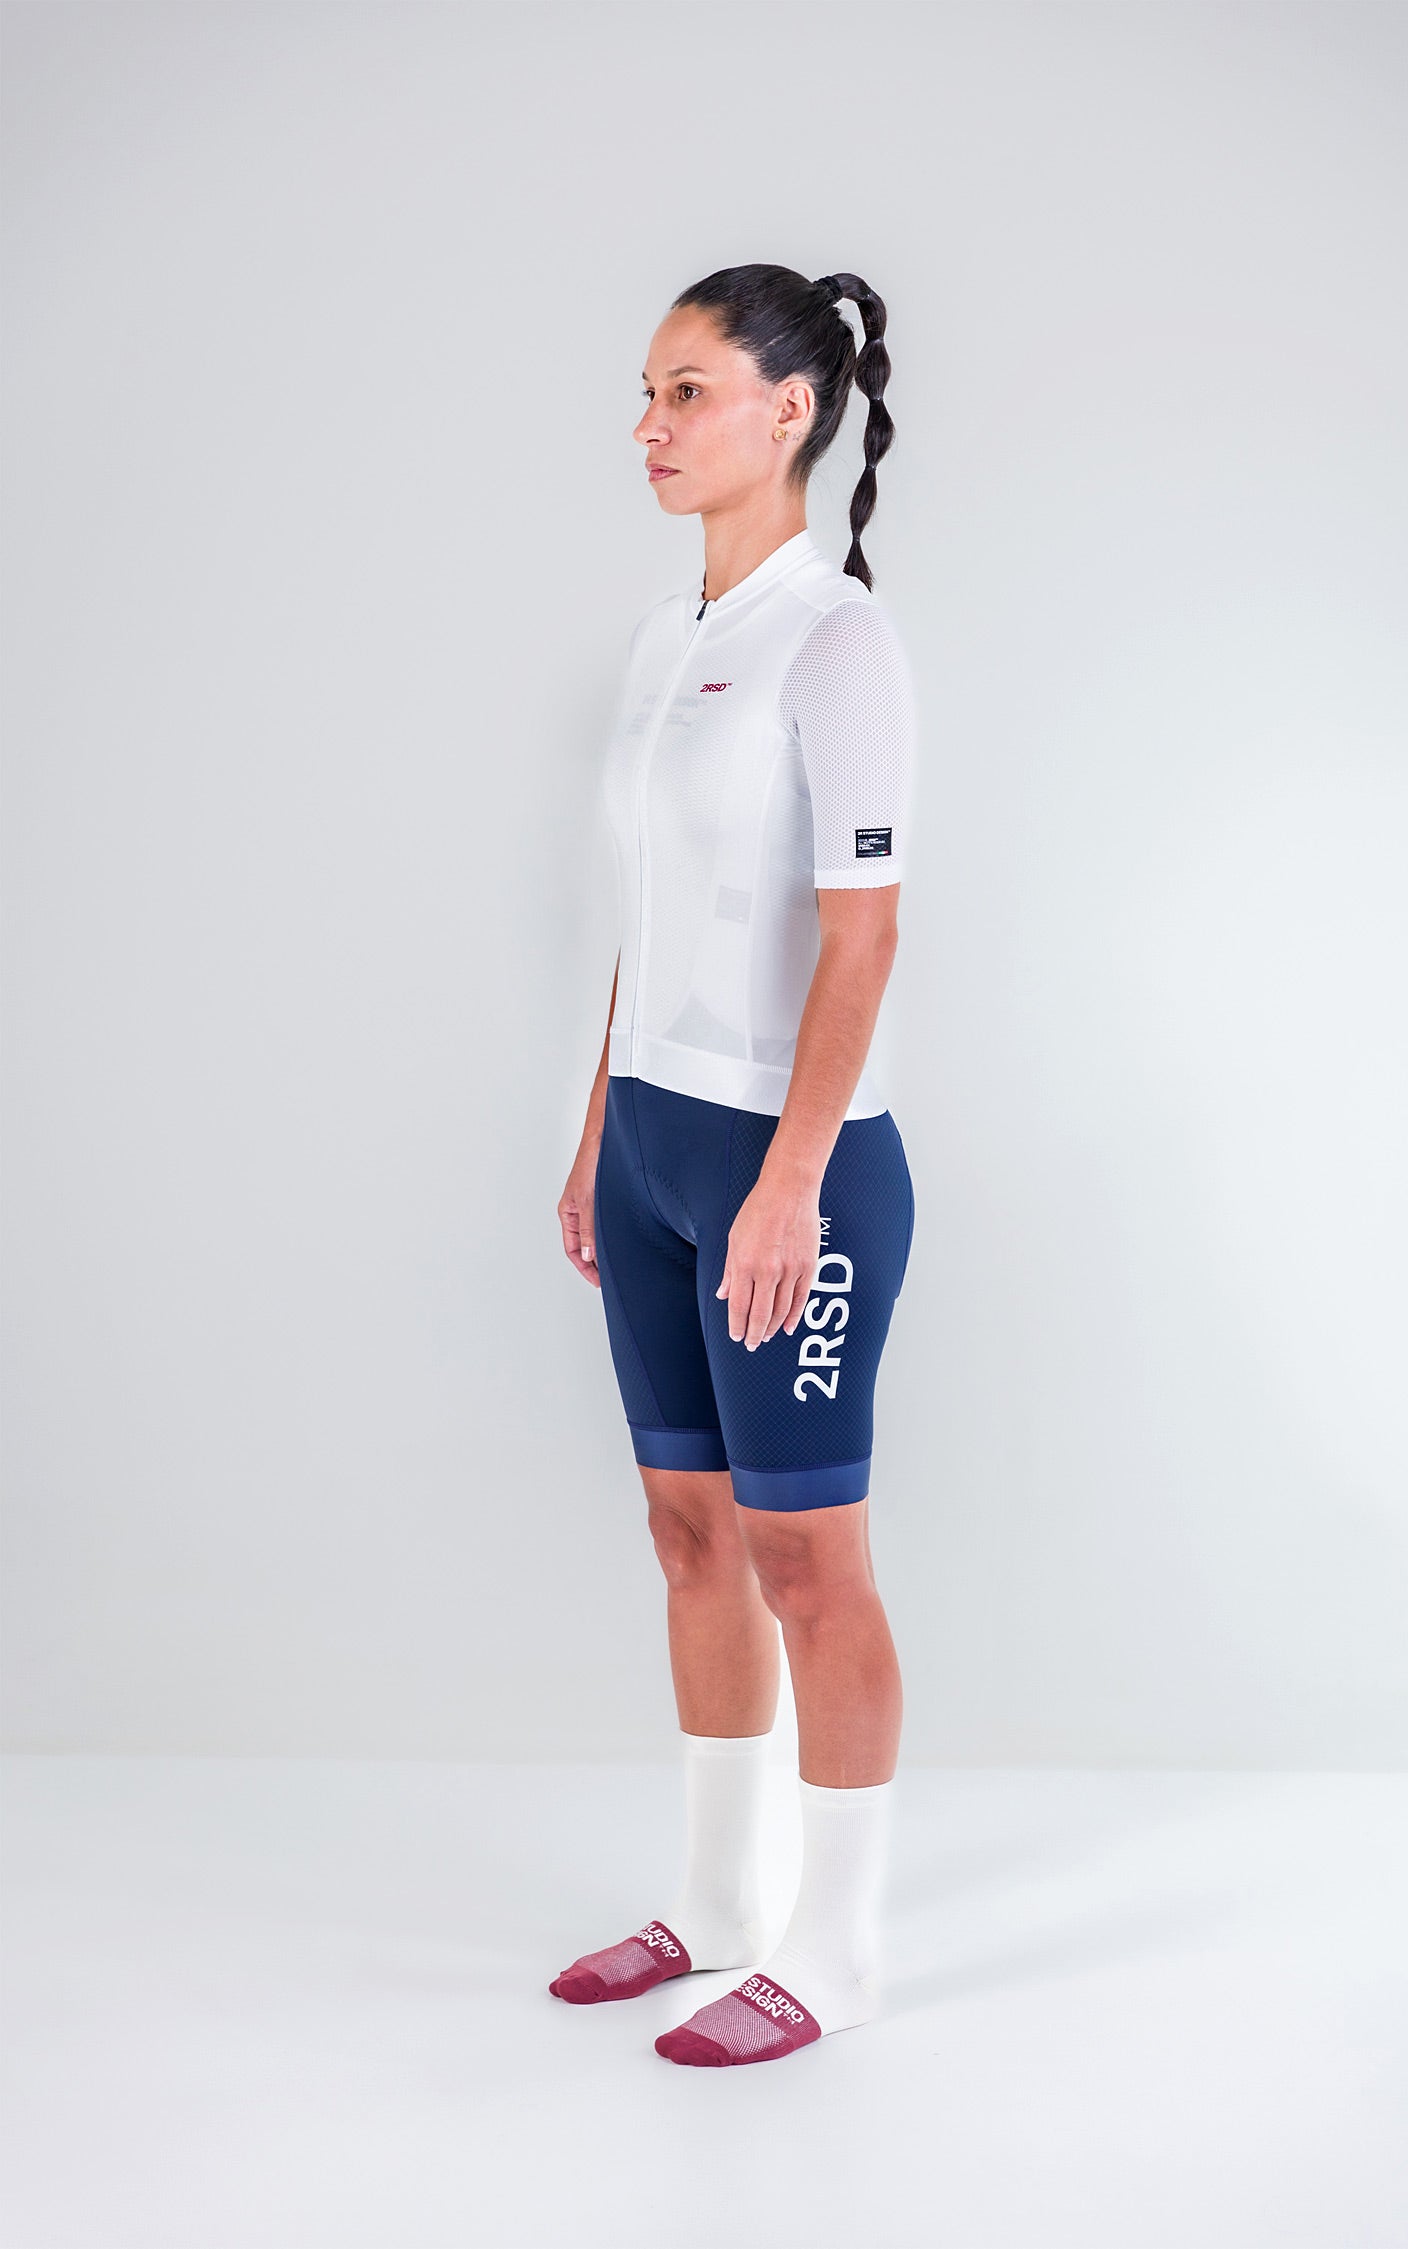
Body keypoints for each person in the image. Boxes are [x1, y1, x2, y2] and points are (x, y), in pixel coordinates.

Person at [552, 264, 918, 2068]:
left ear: (792, 409)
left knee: (805, 1562)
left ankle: (837, 1949)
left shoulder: (836, 643)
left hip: (797, 1170)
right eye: (647, 391)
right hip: (652, 1147)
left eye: (684, 391)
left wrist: (789, 1182)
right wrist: (597, 1134)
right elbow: (651, 917)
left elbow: (862, 938)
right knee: (685, 1531)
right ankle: (715, 1900)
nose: (649, 425)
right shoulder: (664, 637)